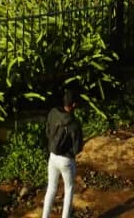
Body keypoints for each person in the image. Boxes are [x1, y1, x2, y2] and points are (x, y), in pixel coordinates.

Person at [41, 88, 84, 218]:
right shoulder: (75, 124)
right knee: (69, 189)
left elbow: (48, 132)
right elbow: (77, 149)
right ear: (74, 105)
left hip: (52, 157)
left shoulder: (53, 112)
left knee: (51, 188)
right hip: (66, 161)